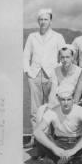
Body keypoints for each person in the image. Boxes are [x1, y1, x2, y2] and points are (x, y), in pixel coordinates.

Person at [23, 8, 66, 148]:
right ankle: (35, 139)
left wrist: (57, 71)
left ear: (50, 21)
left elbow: (64, 54)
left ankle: (52, 137)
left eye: (46, 19)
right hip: (35, 75)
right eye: (41, 19)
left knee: (52, 107)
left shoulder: (58, 37)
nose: (43, 22)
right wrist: (28, 72)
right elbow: (25, 55)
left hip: (52, 75)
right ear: (38, 21)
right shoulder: (32, 36)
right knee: (35, 109)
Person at [34, 83, 82, 164]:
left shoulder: (81, 110)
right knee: (38, 138)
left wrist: (74, 150)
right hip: (59, 143)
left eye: (69, 99)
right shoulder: (52, 111)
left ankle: (57, 159)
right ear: (59, 99)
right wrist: (55, 149)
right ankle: (73, 159)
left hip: (77, 142)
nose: (66, 103)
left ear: (73, 99)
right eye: (63, 100)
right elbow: (37, 131)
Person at [36, 44, 82, 126]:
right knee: (41, 110)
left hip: (73, 101)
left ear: (72, 57)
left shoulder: (79, 72)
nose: (65, 60)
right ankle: (41, 135)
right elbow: (53, 90)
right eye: (62, 57)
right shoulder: (56, 71)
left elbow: (80, 91)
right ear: (60, 58)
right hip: (58, 100)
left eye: (67, 57)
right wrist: (49, 105)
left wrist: (74, 102)